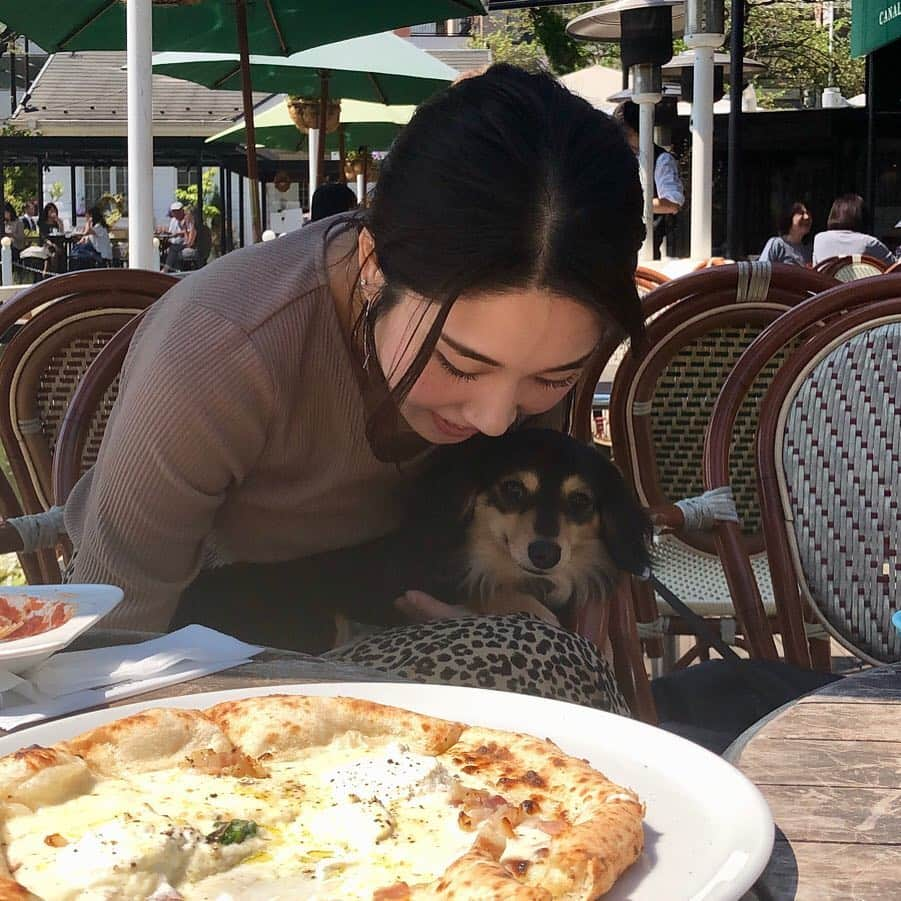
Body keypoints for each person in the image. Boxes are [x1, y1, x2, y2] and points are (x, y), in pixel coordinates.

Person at [65, 65, 645, 712]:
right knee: (529, 664)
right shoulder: (223, 347)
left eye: (551, 377)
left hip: (404, 620)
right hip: (199, 663)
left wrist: (497, 609)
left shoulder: (520, 357)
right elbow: (108, 655)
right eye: (458, 364)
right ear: (372, 266)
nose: (493, 419)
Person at [613, 100, 684, 259]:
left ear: (639, 129)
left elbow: (672, 204)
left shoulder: (662, 160)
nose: (621, 137)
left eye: (626, 132)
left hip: (650, 249)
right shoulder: (619, 158)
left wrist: (627, 204)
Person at [813, 193, 897, 265]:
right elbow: (895, 266)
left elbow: (816, 269)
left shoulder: (819, 239)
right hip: (859, 284)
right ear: (862, 216)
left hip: (827, 284)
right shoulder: (869, 243)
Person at [759, 201, 813, 266]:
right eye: (801, 213)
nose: (807, 217)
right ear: (789, 216)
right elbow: (762, 272)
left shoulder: (810, 249)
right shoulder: (777, 244)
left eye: (808, 213)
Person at [163, 205, 197, 271]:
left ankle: (166, 269)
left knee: (173, 248)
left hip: (190, 247)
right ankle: (174, 269)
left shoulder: (192, 225)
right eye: (174, 212)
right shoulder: (178, 222)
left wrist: (183, 230)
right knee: (171, 249)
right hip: (182, 243)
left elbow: (190, 242)